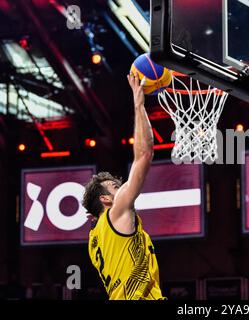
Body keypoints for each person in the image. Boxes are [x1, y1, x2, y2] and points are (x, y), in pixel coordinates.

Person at [82, 73, 164, 300]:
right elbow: (144, 155)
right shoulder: (116, 212)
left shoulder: (94, 240)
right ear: (106, 200)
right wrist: (139, 105)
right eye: (115, 187)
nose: (123, 189)